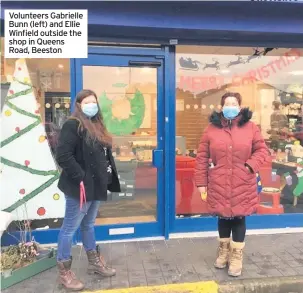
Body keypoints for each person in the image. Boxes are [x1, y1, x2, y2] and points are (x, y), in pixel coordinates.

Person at [195, 92, 268, 277]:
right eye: (227, 103)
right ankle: (223, 251)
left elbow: (261, 150)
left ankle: (236, 256)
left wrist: (249, 166)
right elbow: (202, 156)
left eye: (234, 103)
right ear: (221, 107)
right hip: (219, 181)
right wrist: (201, 183)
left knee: (239, 217)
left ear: (240, 106)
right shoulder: (211, 129)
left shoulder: (251, 127)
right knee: (222, 217)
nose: (230, 106)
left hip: (243, 181)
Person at [55, 89, 121, 291]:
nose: (91, 105)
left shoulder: (96, 125)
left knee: (88, 225)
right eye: (87, 102)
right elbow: (63, 156)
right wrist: (80, 177)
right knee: (69, 228)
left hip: (96, 186)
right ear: (79, 105)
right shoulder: (72, 125)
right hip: (79, 187)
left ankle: (94, 262)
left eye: (94, 102)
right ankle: (64, 272)